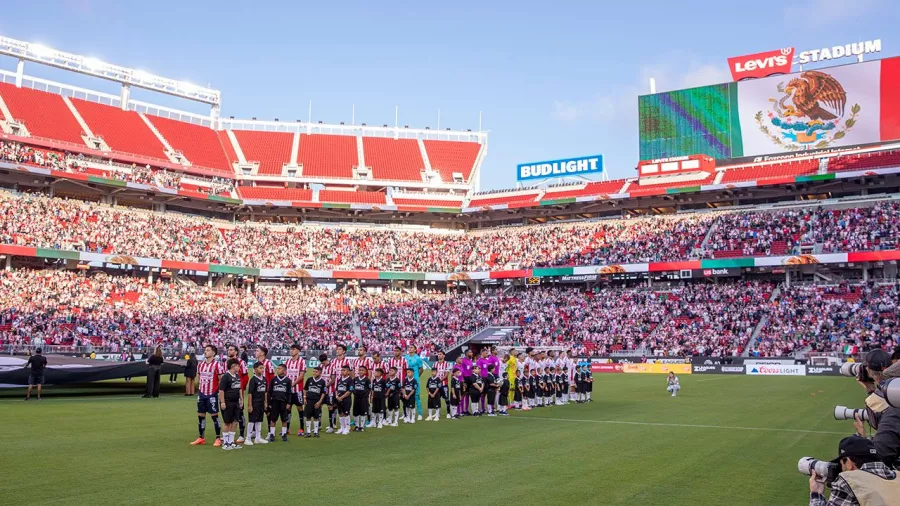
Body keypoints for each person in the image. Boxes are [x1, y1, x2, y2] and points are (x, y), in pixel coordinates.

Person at [809, 435, 899, 506]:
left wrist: (816, 494)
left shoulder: (848, 482)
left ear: (848, 462)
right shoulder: (897, 475)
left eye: (841, 464)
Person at [191, 345, 224, 447]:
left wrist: (217, 391)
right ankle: (201, 437)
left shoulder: (217, 365)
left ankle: (218, 438)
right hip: (201, 394)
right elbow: (199, 377)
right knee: (201, 416)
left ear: (213, 353)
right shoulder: (200, 365)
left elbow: (221, 380)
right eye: (205, 350)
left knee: (214, 416)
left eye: (208, 350)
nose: (206, 352)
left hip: (212, 394)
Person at [218, 359, 244, 451]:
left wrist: (241, 399)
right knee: (227, 422)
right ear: (233, 366)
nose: (239, 367)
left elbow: (239, 388)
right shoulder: (226, 377)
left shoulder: (237, 376)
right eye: (238, 366)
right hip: (228, 402)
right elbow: (221, 390)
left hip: (236, 402)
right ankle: (225, 442)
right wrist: (223, 402)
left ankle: (231, 441)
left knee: (235, 422)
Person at [226, 345, 249, 444]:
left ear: (236, 352)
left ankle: (241, 434)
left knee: (240, 413)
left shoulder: (242, 363)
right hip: (228, 393)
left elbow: (246, 377)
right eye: (228, 350)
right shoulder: (225, 362)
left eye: (231, 350)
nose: (229, 351)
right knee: (228, 413)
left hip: (237, 392)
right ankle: (228, 434)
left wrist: (240, 388)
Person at [285, 344, 307, 437]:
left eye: (293, 349)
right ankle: (287, 429)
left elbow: (301, 375)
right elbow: (285, 373)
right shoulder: (288, 361)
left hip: (298, 390)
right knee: (288, 408)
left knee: (299, 408)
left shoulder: (302, 361)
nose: (291, 351)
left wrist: (293, 384)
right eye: (291, 349)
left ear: (298, 351)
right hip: (289, 390)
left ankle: (301, 428)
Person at [246, 362, 269, 445]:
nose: (262, 369)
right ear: (255, 370)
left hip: (261, 403)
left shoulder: (264, 379)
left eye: (263, 368)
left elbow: (265, 392)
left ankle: (258, 438)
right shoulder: (253, 380)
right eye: (260, 368)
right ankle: (248, 438)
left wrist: (265, 402)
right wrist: (250, 405)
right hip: (254, 403)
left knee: (259, 420)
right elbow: (250, 393)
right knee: (252, 420)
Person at [267, 364, 291, 442]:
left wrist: (288, 403)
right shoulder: (274, 379)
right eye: (277, 368)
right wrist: (269, 403)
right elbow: (269, 392)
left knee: (284, 419)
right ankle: (272, 434)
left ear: (284, 370)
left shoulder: (287, 380)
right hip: (275, 402)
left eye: (279, 368)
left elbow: (289, 393)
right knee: (273, 419)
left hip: (283, 402)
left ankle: (284, 434)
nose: (277, 370)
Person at [303, 366, 326, 438]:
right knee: (308, 416)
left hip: (317, 402)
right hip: (309, 401)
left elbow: (323, 393)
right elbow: (305, 389)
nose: (314, 373)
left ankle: (316, 432)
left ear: (320, 373)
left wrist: (320, 402)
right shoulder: (309, 379)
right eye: (313, 371)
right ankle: (308, 432)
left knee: (316, 417)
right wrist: (304, 398)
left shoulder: (322, 382)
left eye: (316, 372)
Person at [403, 345, 424, 420]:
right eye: (409, 347)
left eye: (411, 347)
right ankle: (406, 413)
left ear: (415, 349)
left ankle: (420, 414)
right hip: (407, 379)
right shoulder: (405, 358)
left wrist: (417, 377)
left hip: (415, 379)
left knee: (416, 396)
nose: (410, 349)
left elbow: (421, 369)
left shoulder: (418, 358)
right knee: (405, 395)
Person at [433, 351, 452, 419]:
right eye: (438, 354)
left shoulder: (447, 364)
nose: (439, 355)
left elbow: (446, 375)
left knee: (446, 399)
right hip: (437, 385)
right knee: (437, 399)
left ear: (444, 356)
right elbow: (433, 374)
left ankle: (448, 413)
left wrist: (439, 380)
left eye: (440, 354)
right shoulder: (435, 364)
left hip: (444, 385)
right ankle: (437, 413)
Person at [335, 365, 353, 435]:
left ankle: (347, 428)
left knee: (346, 413)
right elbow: (336, 389)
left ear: (348, 372)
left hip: (346, 399)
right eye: (342, 370)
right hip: (339, 399)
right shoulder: (340, 379)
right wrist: (337, 396)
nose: (342, 372)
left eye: (344, 370)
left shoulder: (350, 380)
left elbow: (349, 391)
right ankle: (342, 427)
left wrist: (342, 397)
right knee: (340, 413)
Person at [352, 365, 371, 432]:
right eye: (359, 370)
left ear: (365, 372)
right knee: (356, 412)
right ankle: (357, 426)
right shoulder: (355, 379)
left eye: (362, 370)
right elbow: (352, 388)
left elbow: (369, 389)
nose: (361, 371)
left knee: (363, 412)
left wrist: (364, 395)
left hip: (364, 399)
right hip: (356, 398)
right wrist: (355, 393)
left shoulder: (367, 380)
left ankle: (362, 426)